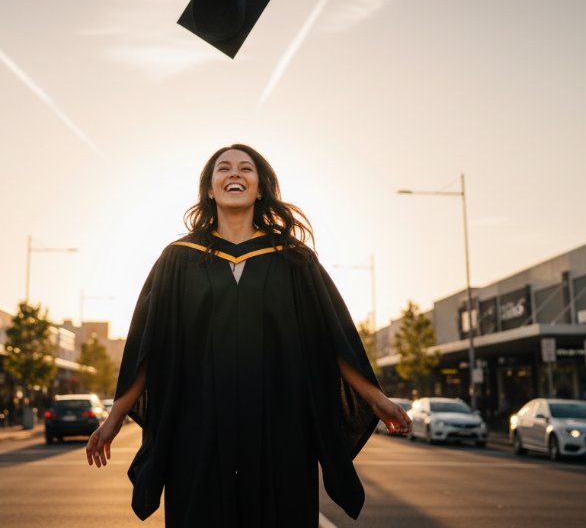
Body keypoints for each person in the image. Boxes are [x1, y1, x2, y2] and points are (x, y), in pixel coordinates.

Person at [85, 144, 412, 527]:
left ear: (260, 188)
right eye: (223, 168)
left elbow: (332, 339)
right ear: (210, 189)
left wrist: (377, 400)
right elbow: (149, 347)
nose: (235, 174)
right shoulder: (178, 258)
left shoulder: (293, 259)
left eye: (246, 169)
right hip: (200, 426)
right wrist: (114, 417)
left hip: (280, 427)